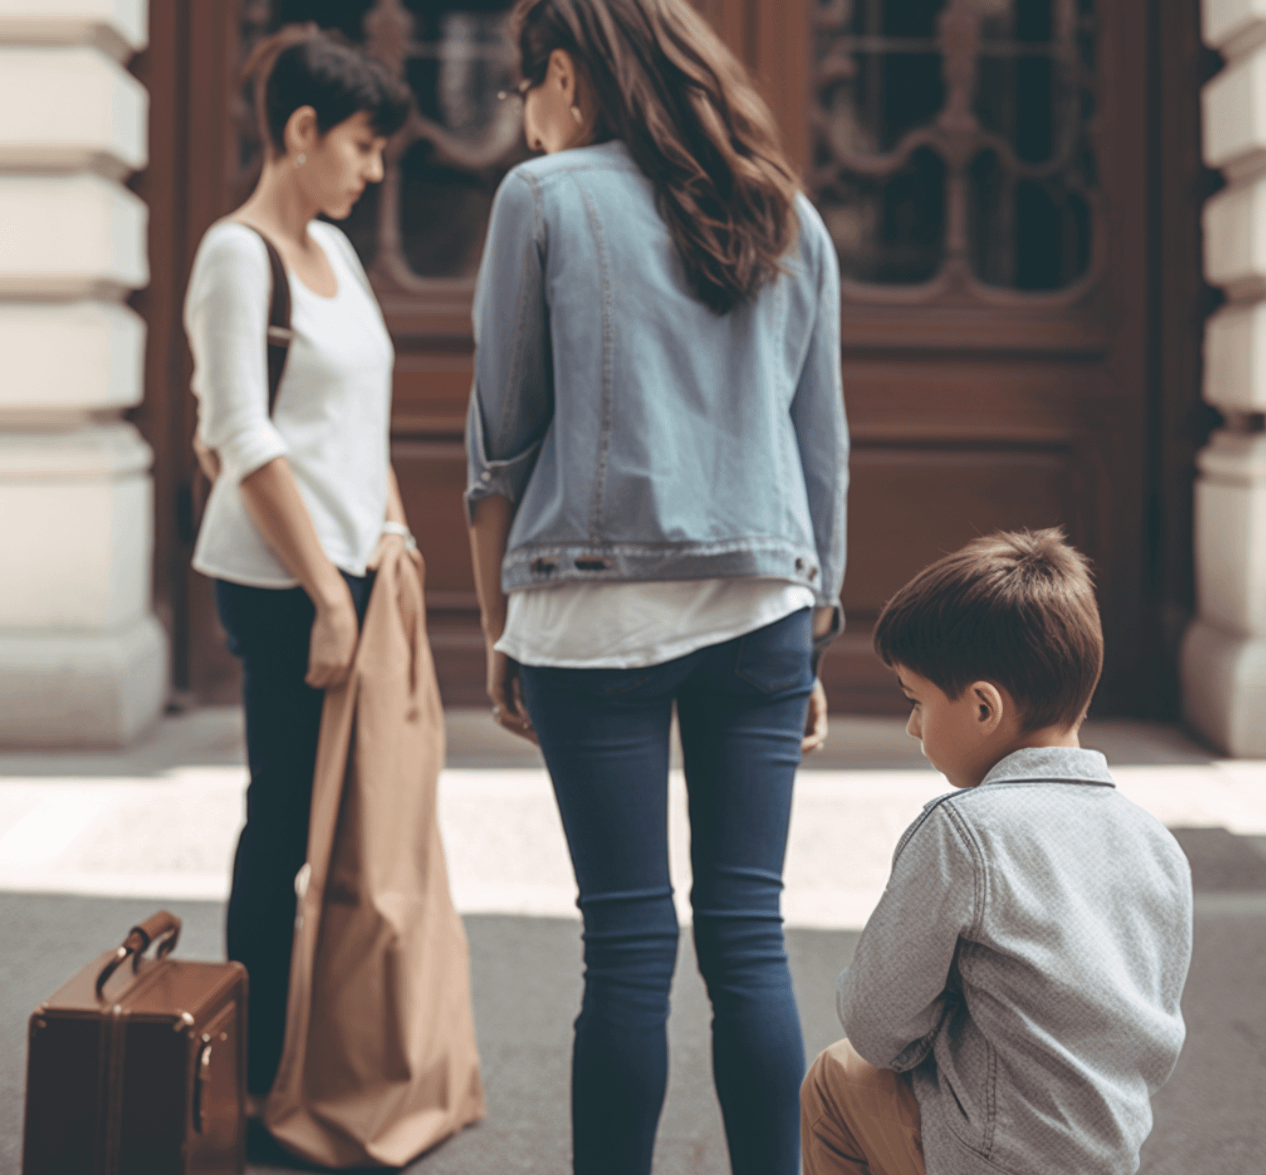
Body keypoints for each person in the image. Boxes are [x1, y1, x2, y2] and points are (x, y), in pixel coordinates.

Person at [465, 1, 848, 1172]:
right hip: (765, 608)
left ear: (567, 77)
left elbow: (502, 444)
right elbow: (820, 445)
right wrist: (814, 628)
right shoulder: (785, 211)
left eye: (518, 89)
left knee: (626, 946)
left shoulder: (541, 199)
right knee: (750, 940)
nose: (520, 117)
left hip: (588, 610)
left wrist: (498, 628)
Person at [800, 529, 1193, 1175]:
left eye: (917, 701)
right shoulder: (1156, 844)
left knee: (837, 1075)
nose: (913, 726)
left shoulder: (965, 832)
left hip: (989, 1158)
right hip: (1108, 1159)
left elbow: (876, 1024)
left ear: (984, 706)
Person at [183, 26, 411, 1103]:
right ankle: (244, 1087)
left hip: (355, 572)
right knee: (282, 826)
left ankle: (317, 1065)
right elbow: (240, 433)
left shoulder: (339, 250)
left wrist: (394, 534)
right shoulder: (239, 251)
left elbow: (360, 420)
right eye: (364, 146)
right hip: (285, 584)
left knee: (348, 833)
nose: (373, 171)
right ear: (301, 129)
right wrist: (327, 592)